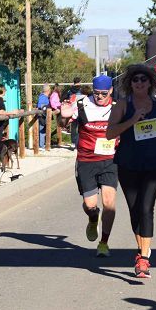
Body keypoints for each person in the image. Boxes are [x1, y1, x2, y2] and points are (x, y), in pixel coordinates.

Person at [106, 65, 156, 278]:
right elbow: (110, 133)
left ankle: (144, 258)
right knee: (135, 210)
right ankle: (142, 250)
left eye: (143, 80)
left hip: (155, 165)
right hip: (128, 165)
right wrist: (132, 120)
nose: (139, 83)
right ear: (130, 83)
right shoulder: (122, 105)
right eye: (135, 80)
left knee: (146, 208)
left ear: (150, 83)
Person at [61, 75, 118, 257]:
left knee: (109, 203)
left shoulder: (118, 108)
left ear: (110, 91)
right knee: (90, 205)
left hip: (110, 160)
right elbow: (64, 124)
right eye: (96, 93)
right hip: (86, 161)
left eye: (103, 93)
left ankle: (104, 243)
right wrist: (62, 117)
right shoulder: (81, 104)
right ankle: (93, 218)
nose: (100, 97)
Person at [36, 85, 51, 149]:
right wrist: (46, 107)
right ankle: (41, 145)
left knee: (44, 130)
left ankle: (43, 144)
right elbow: (40, 105)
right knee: (42, 130)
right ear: (48, 90)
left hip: (45, 115)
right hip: (42, 115)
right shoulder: (43, 97)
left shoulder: (45, 97)